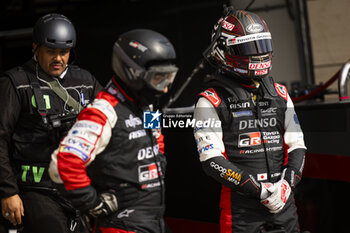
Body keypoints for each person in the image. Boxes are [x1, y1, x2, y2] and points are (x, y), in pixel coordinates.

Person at [48, 29, 178, 233]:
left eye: (168, 79)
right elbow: (63, 163)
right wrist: (93, 204)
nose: (164, 89)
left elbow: (156, 143)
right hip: (122, 225)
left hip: (152, 219)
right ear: (132, 72)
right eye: (157, 78)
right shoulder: (102, 111)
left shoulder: (147, 106)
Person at [193, 9, 306, 233]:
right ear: (223, 51)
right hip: (241, 215)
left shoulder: (281, 94)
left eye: (262, 45)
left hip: (284, 207)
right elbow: (211, 161)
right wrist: (260, 191)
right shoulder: (209, 101)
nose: (258, 54)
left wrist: (286, 185)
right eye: (248, 48)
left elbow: (297, 146)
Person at [0, 13, 102, 233]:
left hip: (78, 188)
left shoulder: (85, 81)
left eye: (64, 52)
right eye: (51, 51)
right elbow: (0, 138)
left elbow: (112, 122)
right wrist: (8, 192)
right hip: (35, 190)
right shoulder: (15, 83)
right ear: (35, 48)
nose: (58, 58)